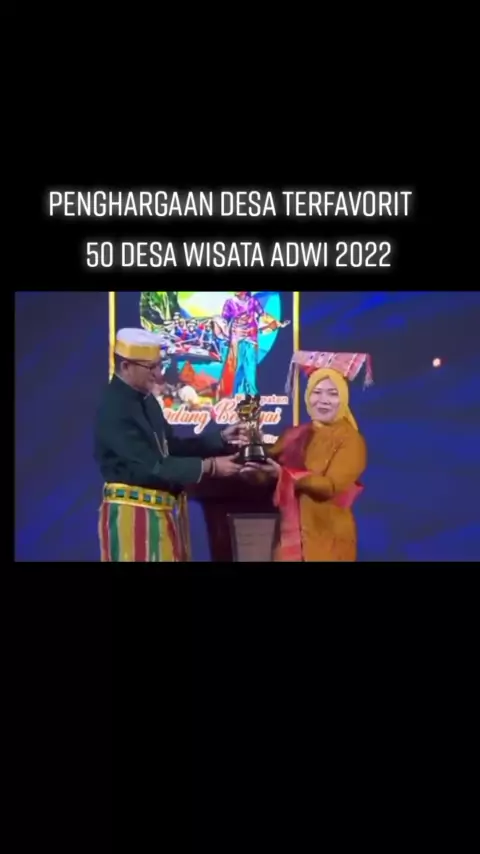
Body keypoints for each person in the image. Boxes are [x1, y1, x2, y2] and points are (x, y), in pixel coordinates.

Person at [94, 329, 248, 562]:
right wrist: (211, 467)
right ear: (126, 366)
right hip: (133, 518)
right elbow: (153, 466)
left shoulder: (146, 400)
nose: (158, 374)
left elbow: (171, 448)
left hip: (158, 514)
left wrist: (221, 439)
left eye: (159, 365)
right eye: (151, 367)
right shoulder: (115, 408)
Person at [241, 351, 373, 562]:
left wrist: (285, 476)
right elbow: (270, 467)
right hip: (289, 536)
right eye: (317, 392)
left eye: (332, 394)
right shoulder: (294, 434)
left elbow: (330, 487)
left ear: (343, 398)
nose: (323, 400)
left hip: (327, 537)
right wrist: (253, 466)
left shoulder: (351, 440)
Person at [218, 291, 291, 398]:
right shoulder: (229, 303)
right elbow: (223, 321)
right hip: (236, 340)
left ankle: (252, 396)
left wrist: (276, 322)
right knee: (237, 368)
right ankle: (236, 395)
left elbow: (263, 315)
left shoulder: (252, 301)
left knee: (250, 368)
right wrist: (223, 333)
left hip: (251, 339)